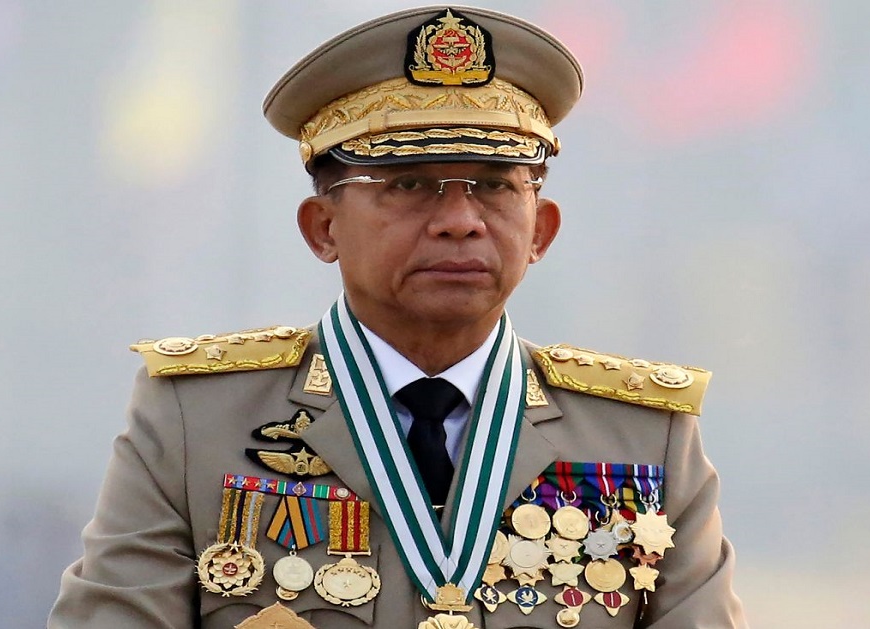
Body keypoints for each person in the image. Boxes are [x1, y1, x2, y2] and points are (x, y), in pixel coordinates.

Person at [50, 5, 746, 628]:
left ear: (541, 230)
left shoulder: (642, 435)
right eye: (410, 184)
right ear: (322, 227)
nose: (459, 220)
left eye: (494, 186)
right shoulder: (196, 419)